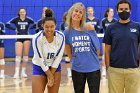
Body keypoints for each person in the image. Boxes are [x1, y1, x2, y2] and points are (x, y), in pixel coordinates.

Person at [104, 1, 140, 93]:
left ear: (130, 11)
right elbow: (107, 50)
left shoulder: (137, 27)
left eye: (126, 9)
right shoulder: (111, 28)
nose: (124, 11)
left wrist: (138, 69)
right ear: (117, 11)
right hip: (115, 70)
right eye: (121, 9)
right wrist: (108, 69)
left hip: (133, 70)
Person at [64, 2, 100, 93]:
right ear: (72, 12)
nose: (78, 14)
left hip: (93, 68)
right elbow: (68, 52)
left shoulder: (89, 27)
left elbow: (97, 48)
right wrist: (78, 61)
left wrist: (92, 61)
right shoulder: (67, 32)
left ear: (83, 16)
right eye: (76, 11)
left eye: (80, 12)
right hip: (77, 69)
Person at [32, 8, 65, 93]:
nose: (49, 29)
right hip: (39, 67)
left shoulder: (61, 36)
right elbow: (40, 58)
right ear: (42, 26)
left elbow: (58, 57)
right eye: (46, 27)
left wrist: (51, 74)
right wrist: (50, 76)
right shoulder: (37, 38)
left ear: (56, 26)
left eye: (52, 27)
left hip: (55, 67)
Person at [6, 7, 35, 78]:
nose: (22, 13)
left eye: (23, 12)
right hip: (19, 38)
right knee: (18, 56)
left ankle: (23, 72)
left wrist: (29, 28)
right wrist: (14, 29)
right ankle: (16, 72)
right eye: (21, 12)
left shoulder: (29, 19)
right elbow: (7, 24)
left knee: (25, 56)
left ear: (25, 13)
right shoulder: (16, 19)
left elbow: (35, 24)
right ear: (19, 13)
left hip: (26, 38)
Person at [101, 8, 118, 78]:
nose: (112, 12)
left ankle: (113, 69)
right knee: (105, 53)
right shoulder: (103, 20)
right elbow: (102, 30)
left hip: (113, 39)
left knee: (113, 54)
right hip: (105, 39)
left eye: (113, 11)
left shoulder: (115, 21)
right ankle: (104, 69)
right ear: (108, 13)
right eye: (111, 11)